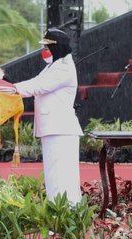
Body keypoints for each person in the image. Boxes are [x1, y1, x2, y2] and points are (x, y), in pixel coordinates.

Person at [14, 28, 83, 204]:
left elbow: (39, 87)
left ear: (57, 47)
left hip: (61, 129)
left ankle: (67, 217)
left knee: (62, 179)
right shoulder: (54, 65)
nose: (46, 50)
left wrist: (11, 90)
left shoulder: (64, 68)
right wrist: (9, 88)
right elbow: (35, 82)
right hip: (54, 129)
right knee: (54, 178)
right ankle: (59, 217)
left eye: (48, 46)